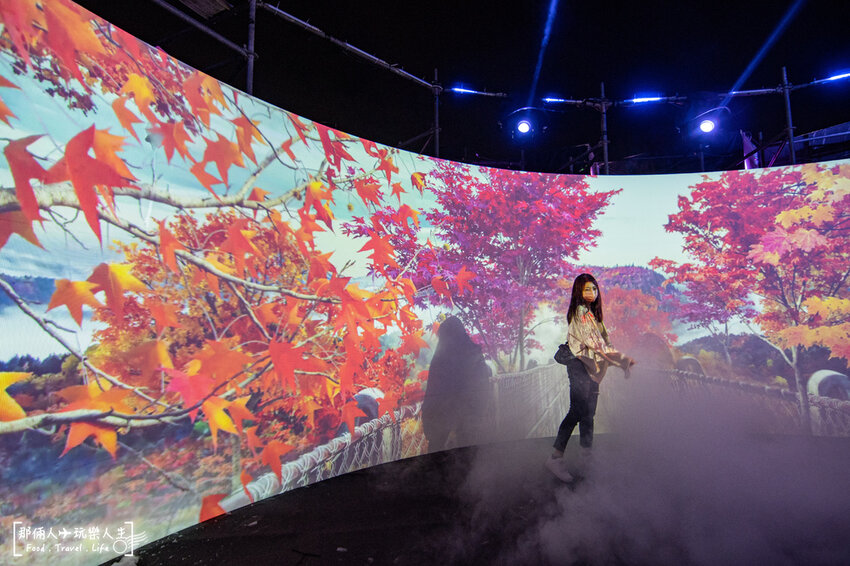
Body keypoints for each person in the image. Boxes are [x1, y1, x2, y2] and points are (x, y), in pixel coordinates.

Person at [546, 273, 635, 482]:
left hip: (594, 369)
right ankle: (555, 458)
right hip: (581, 367)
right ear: (579, 291)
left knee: (588, 415)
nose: (592, 292)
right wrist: (617, 362)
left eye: (594, 288)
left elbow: (604, 344)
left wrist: (617, 363)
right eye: (587, 289)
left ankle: (586, 460)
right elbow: (593, 346)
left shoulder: (592, 315)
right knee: (577, 412)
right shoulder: (580, 312)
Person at [421, 316, 492, 452]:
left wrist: (430, 424)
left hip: (443, 429)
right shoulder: (475, 354)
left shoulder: (441, 359)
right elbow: (482, 391)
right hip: (470, 427)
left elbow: (433, 392)